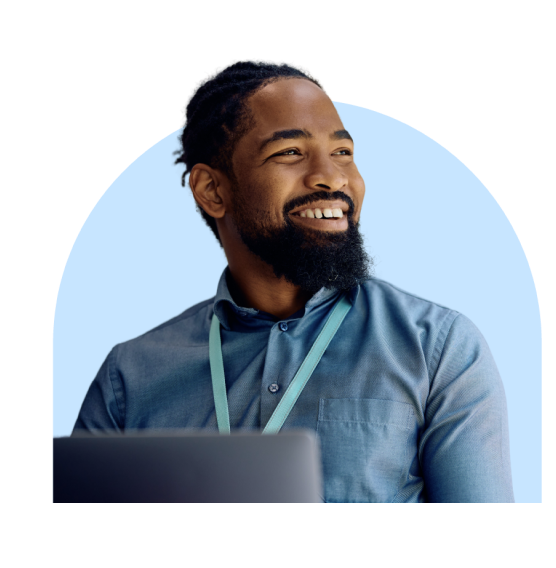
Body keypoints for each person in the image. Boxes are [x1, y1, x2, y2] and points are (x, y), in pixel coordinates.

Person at [73, 59, 514, 503]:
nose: (333, 176)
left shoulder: (439, 349)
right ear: (212, 190)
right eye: (290, 152)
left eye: (343, 152)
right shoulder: (128, 379)